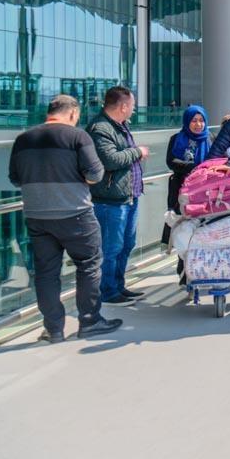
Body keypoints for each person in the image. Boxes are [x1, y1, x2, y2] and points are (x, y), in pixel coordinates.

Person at [8, 94, 121, 342]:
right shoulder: (77, 136)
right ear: (72, 113)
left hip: (37, 216)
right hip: (76, 214)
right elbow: (95, 173)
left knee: (46, 273)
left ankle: (54, 328)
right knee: (89, 265)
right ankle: (89, 321)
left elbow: (15, 179)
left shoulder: (23, 139)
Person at [87, 86, 149, 306]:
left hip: (128, 197)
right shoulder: (100, 128)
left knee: (126, 244)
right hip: (109, 201)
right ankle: (108, 292)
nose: (133, 110)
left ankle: (119, 286)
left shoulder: (121, 126)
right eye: (131, 106)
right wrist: (138, 152)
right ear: (123, 106)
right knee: (110, 248)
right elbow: (110, 160)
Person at [164, 105, 210, 285]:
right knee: (184, 230)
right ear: (187, 122)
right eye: (194, 120)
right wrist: (194, 168)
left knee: (203, 231)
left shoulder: (210, 139)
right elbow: (171, 161)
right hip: (182, 192)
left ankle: (201, 268)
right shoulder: (176, 139)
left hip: (205, 193)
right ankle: (183, 267)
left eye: (201, 120)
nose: (198, 124)